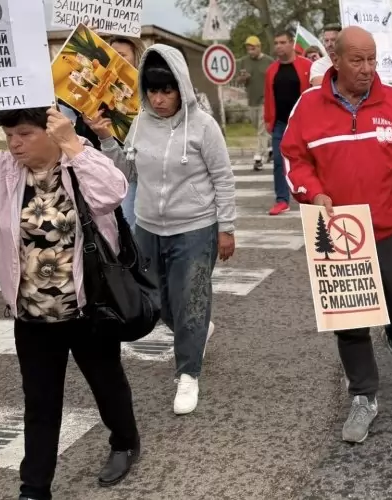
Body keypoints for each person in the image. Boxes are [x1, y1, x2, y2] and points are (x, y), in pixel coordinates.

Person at [282, 26, 392, 444]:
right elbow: (294, 159)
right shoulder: (308, 107)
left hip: (391, 227)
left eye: (372, 59)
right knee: (350, 320)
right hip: (338, 231)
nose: (367, 68)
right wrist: (313, 192)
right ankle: (364, 396)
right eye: (357, 60)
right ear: (336, 60)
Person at [0, 107, 138, 499]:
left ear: (51, 131)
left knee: (107, 383)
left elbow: (113, 193)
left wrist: (72, 143)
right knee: (40, 402)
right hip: (32, 313)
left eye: (24, 133)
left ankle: (124, 441)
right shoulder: (4, 169)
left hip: (88, 307)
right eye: (9, 134)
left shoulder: (79, 159)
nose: (14, 143)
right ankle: (34, 488)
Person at [95, 44, 237, 416]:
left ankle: (188, 374)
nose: (158, 99)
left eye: (166, 90)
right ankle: (198, 329)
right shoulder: (140, 124)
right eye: (152, 91)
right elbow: (125, 173)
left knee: (190, 299)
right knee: (155, 302)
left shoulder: (204, 126)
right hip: (148, 227)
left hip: (195, 227)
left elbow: (223, 178)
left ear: (181, 88)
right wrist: (107, 139)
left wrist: (227, 227)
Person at [83, 35, 145, 230]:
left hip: (144, 172)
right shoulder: (98, 85)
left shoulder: (150, 90)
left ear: (137, 57)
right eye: (111, 55)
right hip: (111, 167)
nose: (116, 59)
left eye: (121, 55)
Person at [264, 30, 312, 215]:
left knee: (309, 160)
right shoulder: (271, 70)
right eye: (276, 43)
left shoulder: (306, 66)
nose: (279, 46)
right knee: (278, 161)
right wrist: (268, 120)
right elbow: (268, 97)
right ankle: (282, 200)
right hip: (280, 123)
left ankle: (312, 194)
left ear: (292, 43)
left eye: (283, 42)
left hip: (303, 123)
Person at [236, 35, 273, 171]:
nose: (250, 51)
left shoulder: (269, 61)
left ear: (259, 47)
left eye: (253, 48)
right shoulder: (243, 61)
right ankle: (270, 147)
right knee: (258, 126)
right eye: (248, 49)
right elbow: (238, 80)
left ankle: (259, 157)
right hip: (252, 100)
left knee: (261, 130)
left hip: (266, 100)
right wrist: (243, 78)